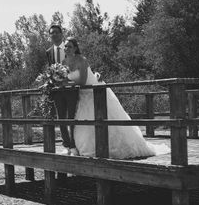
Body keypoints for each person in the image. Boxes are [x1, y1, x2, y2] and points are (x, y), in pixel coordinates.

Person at [63, 37, 169, 159]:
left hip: (93, 92)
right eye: (65, 46)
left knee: (102, 118)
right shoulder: (64, 62)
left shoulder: (82, 60)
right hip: (81, 95)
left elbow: (81, 81)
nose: (67, 49)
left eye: (69, 46)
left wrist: (64, 83)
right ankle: (85, 148)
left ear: (75, 48)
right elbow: (66, 78)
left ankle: (109, 147)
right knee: (84, 122)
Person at [45, 24, 79, 155]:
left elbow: (78, 66)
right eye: (51, 33)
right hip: (57, 91)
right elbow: (50, 70)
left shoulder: (69, 47)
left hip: (71, 89)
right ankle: (66, 145)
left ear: (61, 34)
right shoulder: (49, 52)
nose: (54, 35)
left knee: (72, 118)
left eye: (56, 32)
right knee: (60, 118)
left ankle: (74, 145)